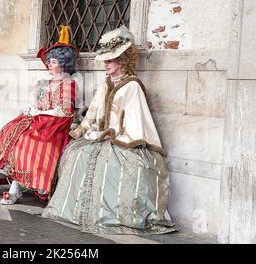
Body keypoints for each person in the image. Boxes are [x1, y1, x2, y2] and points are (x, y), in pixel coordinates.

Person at [42, 25, 176, 234]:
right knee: (77, 152)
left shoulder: (132, 86)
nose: (106, 63)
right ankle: (75, 212)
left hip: (125, 140)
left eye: (110, 59)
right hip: (101, 136)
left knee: (113, 165)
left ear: (122, 60)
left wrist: (110, 134)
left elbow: (135, 121)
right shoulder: (106, 83)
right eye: (105, 59)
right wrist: (85, 129)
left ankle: (112, 214)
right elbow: (95, 111)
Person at [0, 25, 79, 205]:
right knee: (14, 129)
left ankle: (19, 186)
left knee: (30, 139)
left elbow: (65, 110)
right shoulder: (45, 83)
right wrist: (32, 110)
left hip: (57, 124)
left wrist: (40, 112)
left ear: (64, 64)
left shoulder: (69, 84)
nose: (49, 65)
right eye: (49, 61)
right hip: (41, 120)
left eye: (54, 62)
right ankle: (7, 168)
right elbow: (39, 104)